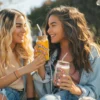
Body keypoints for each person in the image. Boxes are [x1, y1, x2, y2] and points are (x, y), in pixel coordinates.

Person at [32, 6, 100, 100]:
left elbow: (95, 92)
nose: (48, 30)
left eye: (53, 25)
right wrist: (39, 63)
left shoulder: (90, 51)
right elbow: (45, 93)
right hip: (60, 96)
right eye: (48, 26)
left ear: (68, 25)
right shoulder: (52, 54)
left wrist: (75, 89)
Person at [0, 9, 45, 100]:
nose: (24, 30)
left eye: (25, 25)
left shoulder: (23, 50)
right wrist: (23, 70)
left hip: (19, 95)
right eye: (18, 26)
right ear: (6, 28)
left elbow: (29, 82)